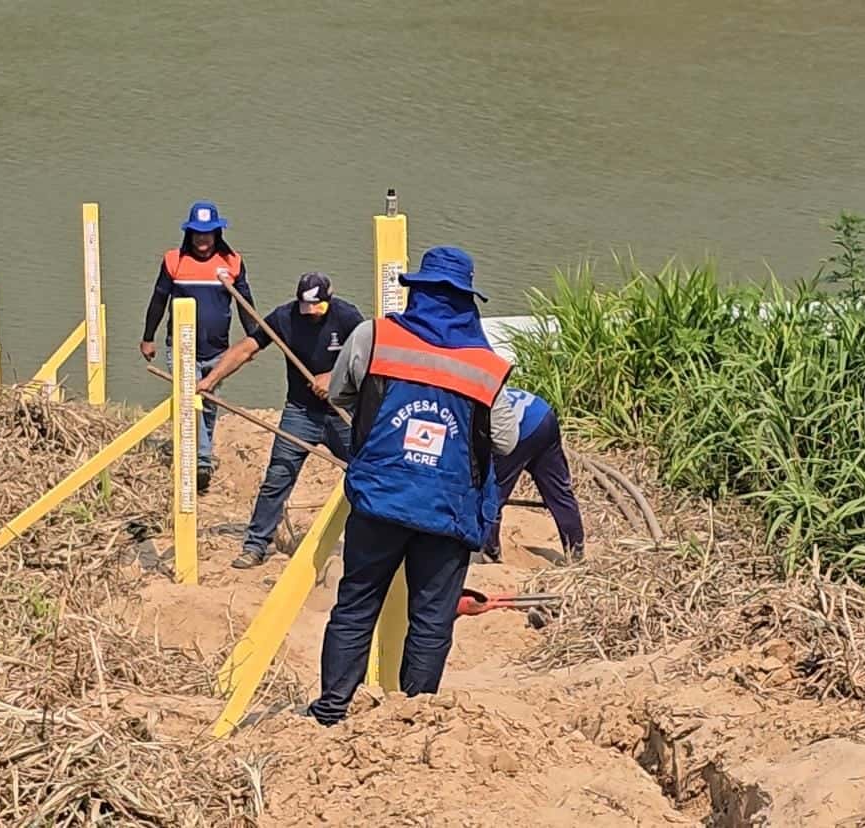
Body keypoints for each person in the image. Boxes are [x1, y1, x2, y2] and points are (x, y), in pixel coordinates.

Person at [306, 246, 519, 727]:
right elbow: (506, 441)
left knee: (357, 603)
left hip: (380, 498)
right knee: (431, 618)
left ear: (417, 291)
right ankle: (414, 716)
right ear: (468, 301)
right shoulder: (486, 365)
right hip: (448, 511)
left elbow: (340, 392)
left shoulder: (374, 335)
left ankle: (331, 710)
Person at [197, 272, 365, 568]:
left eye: (317, 306)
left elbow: (368, 358)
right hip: (300, 412)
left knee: (366, 474)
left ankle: (371, 545)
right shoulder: (285, 317)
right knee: (278, 476)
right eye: (306, 306)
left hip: (343, 412)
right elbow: (247, 348)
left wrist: (334, 377)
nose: (311, 312)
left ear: (329, 298)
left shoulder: (348, 317)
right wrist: (211, 380)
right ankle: (256, 544)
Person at [139, 201, 257, 491]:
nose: (202, 239)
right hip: (181, 347)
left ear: (217, 233)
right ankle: (201, 462)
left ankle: (198, 454)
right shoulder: (173, 261)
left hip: (219, 351)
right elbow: (158, 301)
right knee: (192, 402)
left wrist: (254, 340)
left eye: (208, 233)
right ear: (188, 234)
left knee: (210, 404)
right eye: (196, 234)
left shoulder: (232, 263)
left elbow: (245, 305)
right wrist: (148, 337)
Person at [478, 387, 585, 563]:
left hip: (518, 430)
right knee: (558, 490)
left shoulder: (470, 403)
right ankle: (576, 549)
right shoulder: (491, 386)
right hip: (542, 414)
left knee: (492, 493)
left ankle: (491, 554)